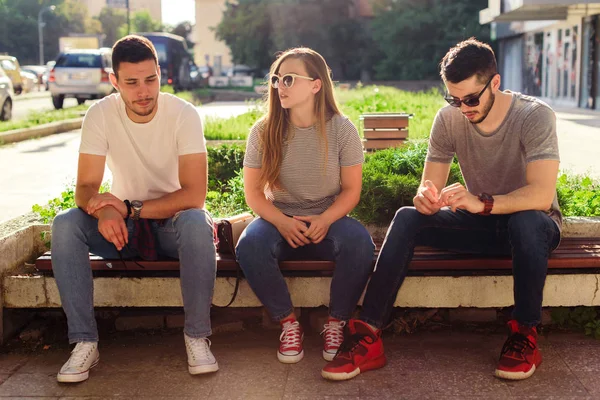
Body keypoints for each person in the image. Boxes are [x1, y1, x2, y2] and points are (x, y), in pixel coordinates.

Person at [322, 38, 561, 381]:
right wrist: (426, 198)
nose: (463, 108)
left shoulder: (534, 115)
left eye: (471, 99)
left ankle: (524, 334)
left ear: (495, 82)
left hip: (534, 228)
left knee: (526, 222)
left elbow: (541, 195)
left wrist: (483, 202)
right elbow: (428, 184)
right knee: (408, 216)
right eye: (454, 98)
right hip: (482, 225)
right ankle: (368, 334)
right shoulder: (449, 119)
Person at [51, 35, 218, 383]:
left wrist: (127, 208)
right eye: (131, 83)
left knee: (196, 221)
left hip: (172, 225)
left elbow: (194, 195)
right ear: (114, 81)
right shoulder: (99, 114)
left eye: (150, 79)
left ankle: (197, 337)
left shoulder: (183, 114)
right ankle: (84, 343)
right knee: (66, 223)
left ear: (160, 72)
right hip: (122, 230)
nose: (143, 91)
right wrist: (105, 212)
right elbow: (85, 188)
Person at [236, 47, 375, 364]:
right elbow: (255, 195)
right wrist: (282, 222)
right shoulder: (262, 131)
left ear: (316, 85)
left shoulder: (342, 129)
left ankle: (336, 323)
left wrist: (325, 220)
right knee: (250, 246)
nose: (279, 86)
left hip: (330, 219)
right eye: (276, 79)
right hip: (278, 218)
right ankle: (288, 323)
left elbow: (352, 191)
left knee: (360, 243)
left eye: (288, 79)